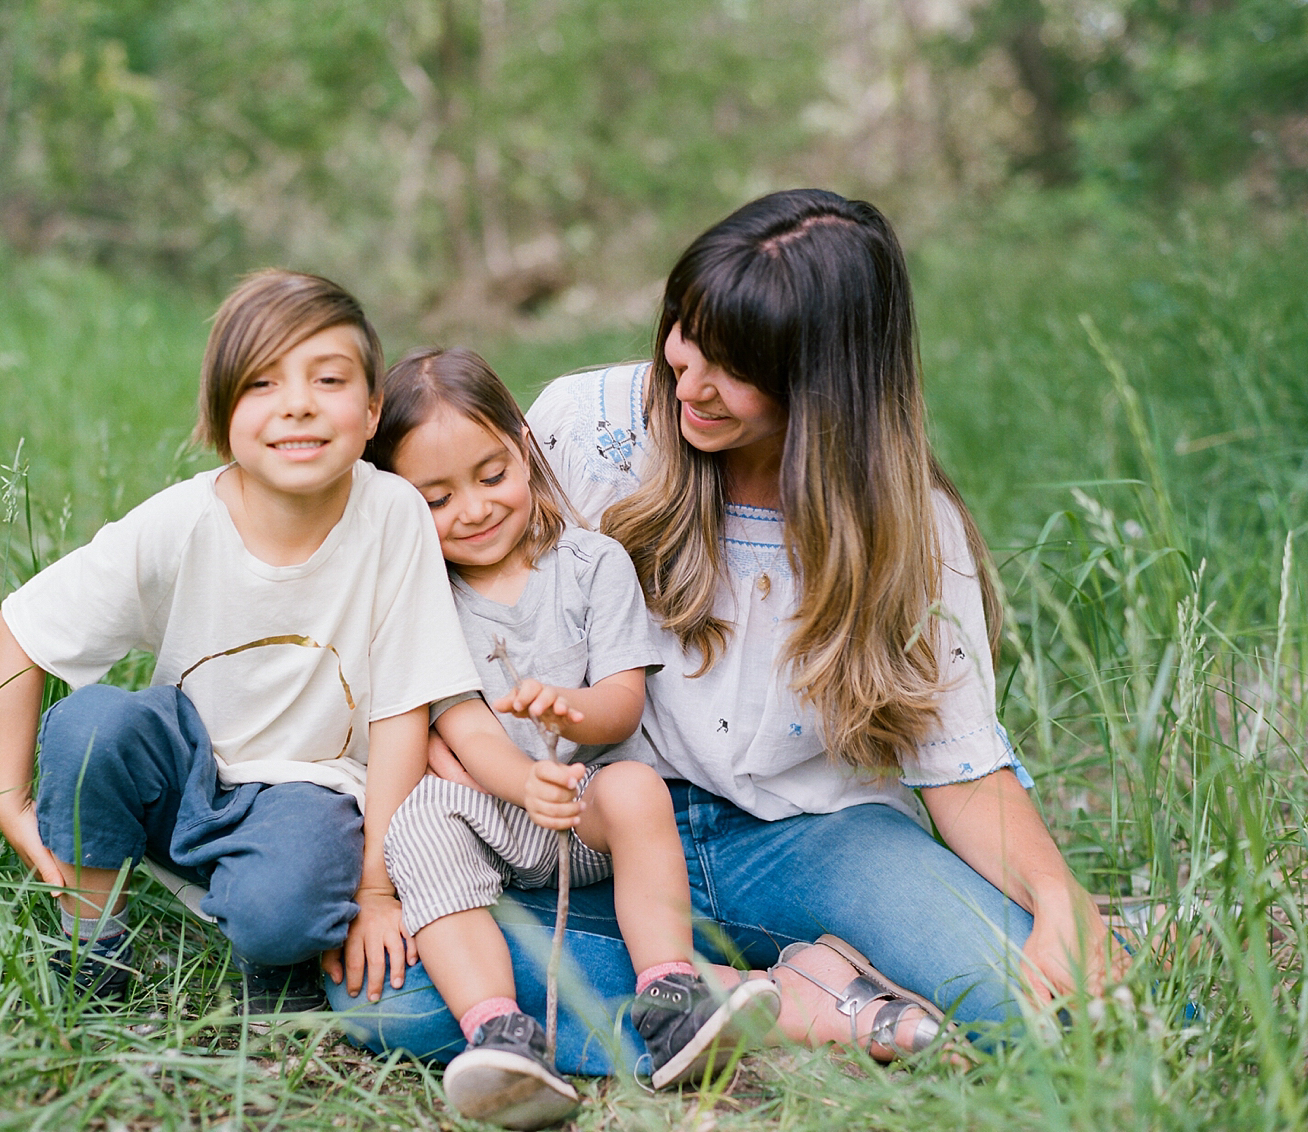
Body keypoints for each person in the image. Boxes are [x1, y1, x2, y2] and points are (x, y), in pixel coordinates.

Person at [333, 189, 1125, 1069]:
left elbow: (962, 764)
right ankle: (767, 998)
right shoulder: (577, 430)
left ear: (827, 387)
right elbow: (415, 602)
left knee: (1049, 1010)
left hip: (813, 840)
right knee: (392, 996)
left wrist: (1059, 898)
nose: (691, 380)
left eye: (734, 366)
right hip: (602, 833)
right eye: (685, 333)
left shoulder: (911, 531)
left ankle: (738, 996)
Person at [0, 271, 480, 1013]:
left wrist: (378, 887)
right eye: (262, 383)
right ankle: (93, 947)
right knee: (91, 726)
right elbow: (22, 628)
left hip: (311, 790)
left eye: (329, 378)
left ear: (372, 409)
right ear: (220, 418)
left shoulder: (392, 514)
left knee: (282, 911)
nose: (299, 403)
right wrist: (7, 798)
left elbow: (402, 707)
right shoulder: (183, 521)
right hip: (185, 769)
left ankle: (271, 941)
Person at [366, 348, 780, 1127]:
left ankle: (670, 993)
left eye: (492, 476)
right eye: (438, 498)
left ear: (524, 446)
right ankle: (498, 1030)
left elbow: (623, 704)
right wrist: (520, 783)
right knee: (422, 818)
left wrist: (569, 713)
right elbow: (462, 722)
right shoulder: (425, 597)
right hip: (497, 810)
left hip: (587, 809)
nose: (476, 509)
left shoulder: (592, 563)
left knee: (633, 786)